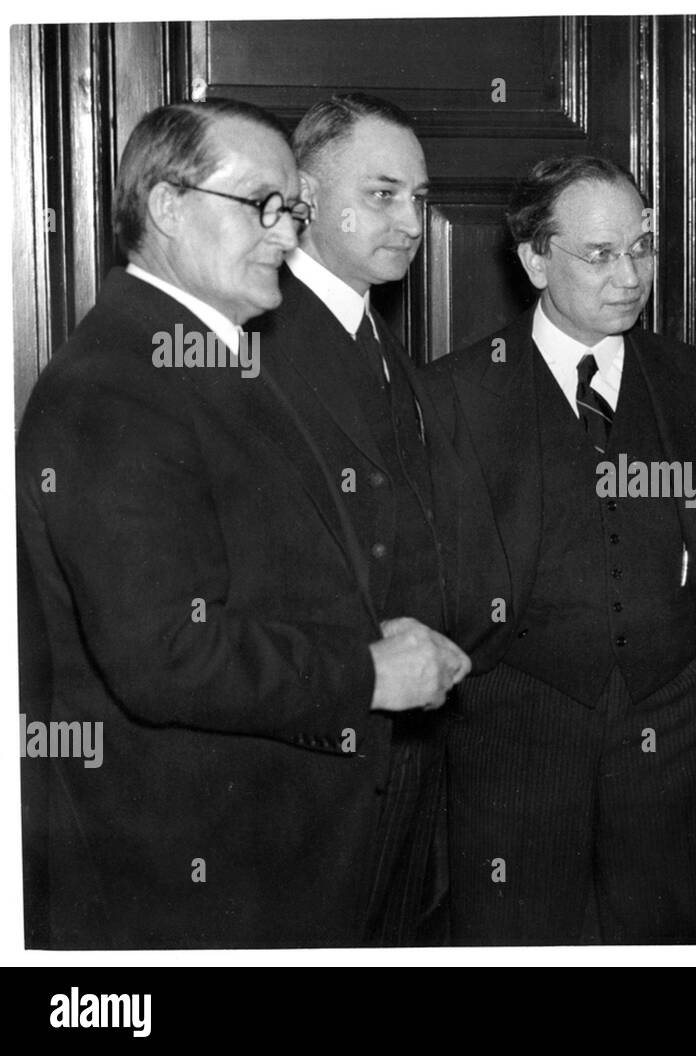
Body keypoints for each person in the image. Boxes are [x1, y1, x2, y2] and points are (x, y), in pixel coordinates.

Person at [17, 98, 462, 948]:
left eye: (291, 211)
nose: (287, 236)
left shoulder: (213, 352)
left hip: (270, 856)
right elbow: (163, 655)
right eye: (261, 205)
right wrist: (366, 671)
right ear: (166, 207)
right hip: (190, 874)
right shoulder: (114, 387)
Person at [422, 154, 696, 944]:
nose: (630, 274)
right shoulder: (455, 395)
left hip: (677, 729)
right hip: (513, 738)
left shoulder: (694, 381)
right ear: (535, 257)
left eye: (641, 248)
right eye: (600, 255)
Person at [255, 92, 471, 944]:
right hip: (310, 763)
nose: (412, 222)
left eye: (418, 199)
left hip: (401, 754)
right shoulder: (255, 341)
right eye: (382, 194)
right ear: (303, 194)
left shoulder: (382, 343)